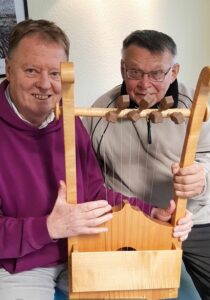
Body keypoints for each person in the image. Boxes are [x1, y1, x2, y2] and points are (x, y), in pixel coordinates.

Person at [0, 20, 192, 300]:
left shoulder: (70, 119)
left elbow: (94, 193)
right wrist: (49, 227)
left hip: (84, 247)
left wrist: (152, 213)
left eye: (55, 73)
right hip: (20, 264)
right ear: (8, 68)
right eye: (31, 70)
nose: (44, 84)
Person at [83, 30, 210, 300]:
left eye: (156, 74)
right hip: (131, 222)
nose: (144, 85)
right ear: (122, 69)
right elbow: (87, 176)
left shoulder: (198, 106)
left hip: (196, 221)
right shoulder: (99, 110)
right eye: (134, 73)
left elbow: (208, 158)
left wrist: (203, 178)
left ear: (174, 71)